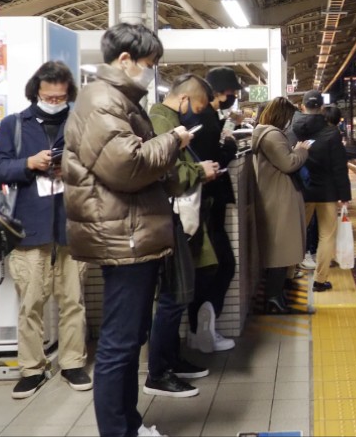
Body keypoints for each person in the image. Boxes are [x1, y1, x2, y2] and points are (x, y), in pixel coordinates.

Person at [62, 23, 193, 437]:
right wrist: (173, 139)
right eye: (149, 64)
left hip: (129, 231)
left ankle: (129, 425)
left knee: (128, 338)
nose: (151, 72)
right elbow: (128, 166)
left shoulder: (116, 100)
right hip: (122, 235)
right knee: (119, 345)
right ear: (125, 60)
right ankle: (118, 431)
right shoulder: (102, 101)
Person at [0, 61, 91, 399]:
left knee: (73, 300)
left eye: (61, 96)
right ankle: (32, 368)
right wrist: (28, 164)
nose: (55, 101)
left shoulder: (79, 123)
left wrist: (71, 171)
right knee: (30, 303)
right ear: (37, 92)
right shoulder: (14, 124)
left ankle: (73, 362)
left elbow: (97, 167)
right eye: (49, 96)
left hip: (71, 227)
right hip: (29, 229)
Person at [144, 74, 221, 398]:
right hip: (169, 219)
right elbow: (168, 172)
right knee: (173, 298)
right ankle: (158, 373)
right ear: (186, 100)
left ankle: (171, 360)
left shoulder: (169, 120)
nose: (199, 113)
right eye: (199, 107)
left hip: (175, 219)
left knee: (177, 295)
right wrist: (199, 171)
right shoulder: (162, 122)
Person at [184, 67, 240, 354]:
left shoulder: (203, 117)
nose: (233, 97)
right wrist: (229, 146)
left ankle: (202, 329)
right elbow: (214, 162)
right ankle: (202, 330)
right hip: (207, 205)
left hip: (205, 204)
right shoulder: (204, 118)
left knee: (215, 267)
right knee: (218, 267)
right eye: (232, 92)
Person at [250, 97, 311, 314]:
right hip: (279, 199)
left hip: (275, 196)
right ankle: (274, 299)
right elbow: (289, 163)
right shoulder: (272, 135)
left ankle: (276, 295)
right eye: (288, 117)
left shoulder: (263, 132)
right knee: (280, 251)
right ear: (281, 115)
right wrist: (302, 150)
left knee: (280, 249)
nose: (289, 122)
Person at [295, 94, 351, 292]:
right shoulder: (332, 133)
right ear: (321, 108)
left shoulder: (295, 129)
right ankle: (320, 281)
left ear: (302, 106)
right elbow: (339, 167)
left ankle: (287, 275)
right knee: (326, 236)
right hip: (327, 192)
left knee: (297, 234)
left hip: (303, 190)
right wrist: (344, 196)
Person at [289, 92, 327, 270]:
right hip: (320, 181)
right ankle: (311, 254)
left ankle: (300, 256)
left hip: (298, 180)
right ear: (321, 107)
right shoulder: (327, 127)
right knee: (320, 224)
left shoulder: (292, 126)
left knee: (302, 222)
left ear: (302, 106)